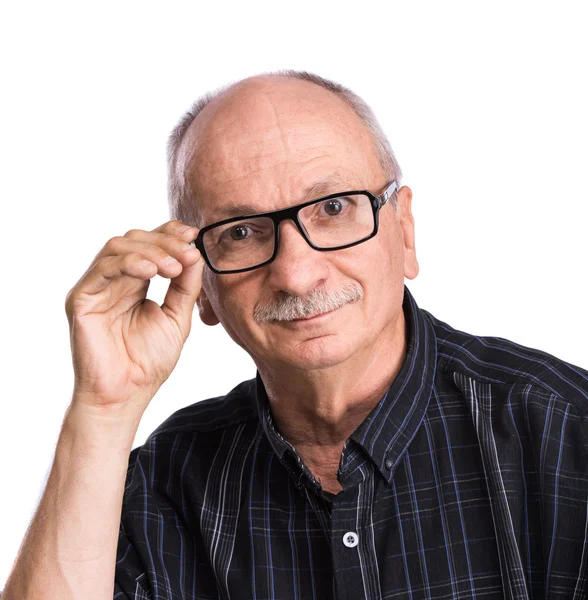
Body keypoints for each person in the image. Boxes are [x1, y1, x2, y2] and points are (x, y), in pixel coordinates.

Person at [3, 70, 588, 600]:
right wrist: (103, 409)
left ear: (404, 233)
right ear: (200, 285)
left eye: (333, 207)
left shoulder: (567, 435)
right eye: (242, 232)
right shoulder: (160, 488)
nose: (296, 273)